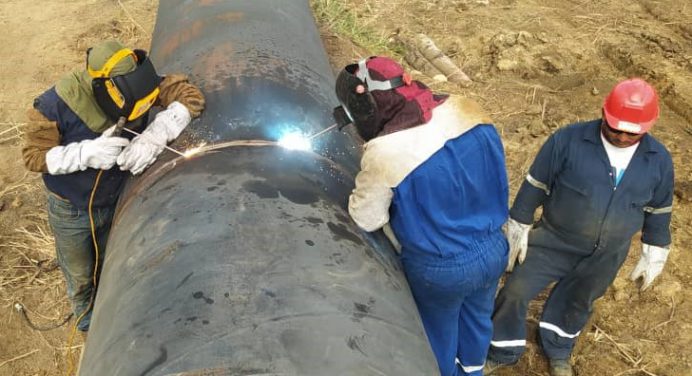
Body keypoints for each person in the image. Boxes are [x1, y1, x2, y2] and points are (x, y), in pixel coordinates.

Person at [485, 78, 674, 376]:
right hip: (553, 241)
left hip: (607, 255)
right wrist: (519, 222)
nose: (622, 137)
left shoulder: (658, 160)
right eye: (616, 129)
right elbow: (536, 184)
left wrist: (656, 246)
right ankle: (502, 349)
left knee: (577, 302)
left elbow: (659, 207)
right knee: (515, 292)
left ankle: (558, 350)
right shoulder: (568, 141)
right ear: (603, 112)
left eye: (632, 133)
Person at [334, 56, 509, 376]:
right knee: (476, 322)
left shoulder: (387, 151)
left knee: (436, 338)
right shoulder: (467, 109)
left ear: (368, 107)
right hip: (495, 247)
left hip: (441, 269)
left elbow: (367, 219)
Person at [21, 40, 205, 332]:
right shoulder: (54, 107)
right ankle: (87, 328)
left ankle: (111, 320)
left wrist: (160, 130)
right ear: (104, 88)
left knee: (113, 265)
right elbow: (32, 156)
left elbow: (187, 94)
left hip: (118, 199)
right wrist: (83, 154)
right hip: (73, 210)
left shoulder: (138, 85)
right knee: (82, 276)